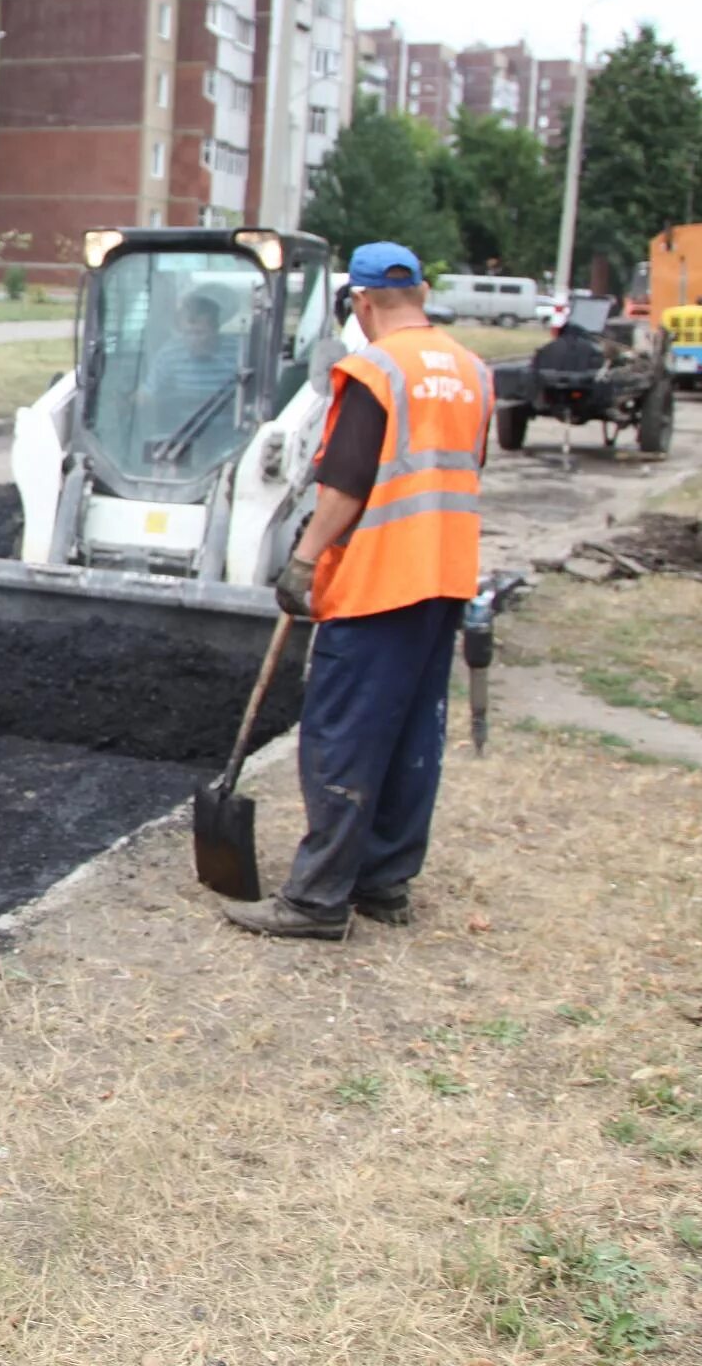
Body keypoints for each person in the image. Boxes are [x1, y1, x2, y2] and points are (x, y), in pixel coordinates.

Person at [228, 241, 493, 941]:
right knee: (412, 734)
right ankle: (385, 883)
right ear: (425, 291)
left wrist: (306, 561)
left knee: (343, 737)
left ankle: (316, 902)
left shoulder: (375, 370)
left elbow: (347, 482)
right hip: (444, 580)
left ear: (363, 303)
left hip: (380, 582)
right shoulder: (473, 372)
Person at [137, 289, 237, 446]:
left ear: (216, 329)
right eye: (188, 333)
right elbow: (149, 393)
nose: (193, 340)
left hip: (230, 434)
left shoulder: (237, 351)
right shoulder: (170, 354)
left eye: (199, 333)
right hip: (184, 435)